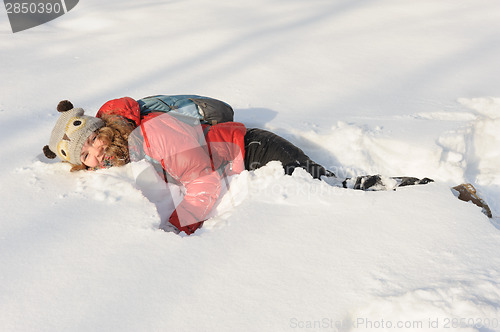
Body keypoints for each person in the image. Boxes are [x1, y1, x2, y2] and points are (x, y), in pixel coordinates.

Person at [43, 95, 432, 234]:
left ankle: (418, 192)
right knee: (333, 189)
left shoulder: (152, 133)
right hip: (252, 153)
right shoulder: (136, 143)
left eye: (92, 144)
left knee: (335, 189)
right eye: (87, 160)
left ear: (100, 132)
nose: (97, 158)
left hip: (260, 152)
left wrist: (177, 228)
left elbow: (203, 182)